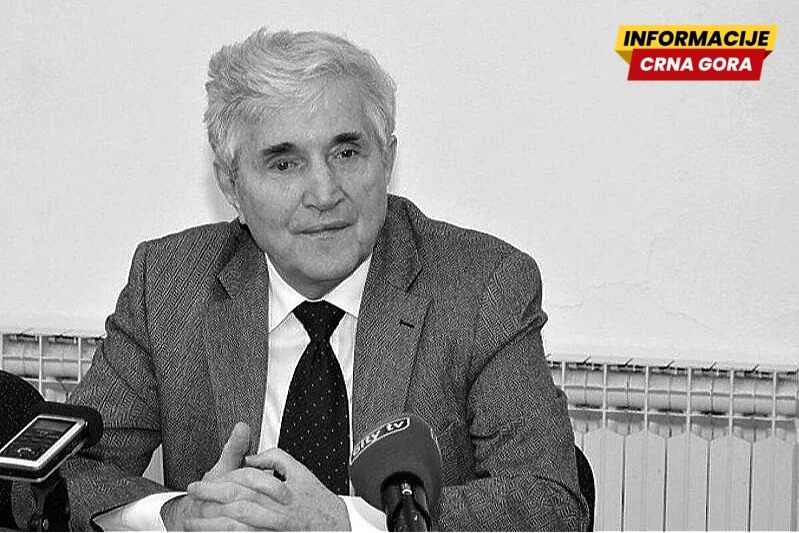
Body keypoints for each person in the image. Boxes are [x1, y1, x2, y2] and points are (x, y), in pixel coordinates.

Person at [13, 28, 588, 531]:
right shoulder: (171, 285)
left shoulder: (481, 286)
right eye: (284, 163)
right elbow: (52, 479)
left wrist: (347, 523)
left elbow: (551, 505)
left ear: (387, 160)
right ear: (231, 186)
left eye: (347, 152)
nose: (324, 193)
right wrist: (178, 515)